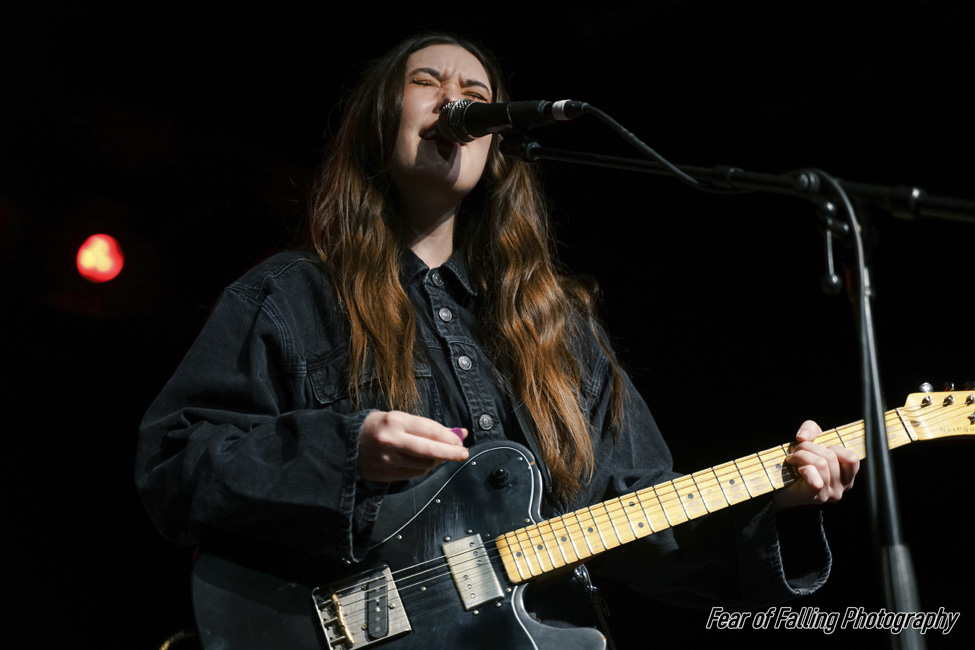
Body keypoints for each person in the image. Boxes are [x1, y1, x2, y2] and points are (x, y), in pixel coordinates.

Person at [135, 32, 860, 648]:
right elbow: (174, 465)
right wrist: (343, 451)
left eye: (474, 89)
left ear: (497, 141)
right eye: (426, 81)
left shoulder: (559, 331)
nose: (453, 98)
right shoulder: (290, 296)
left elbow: (651, 534)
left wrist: (782, 510)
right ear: (374, 122)